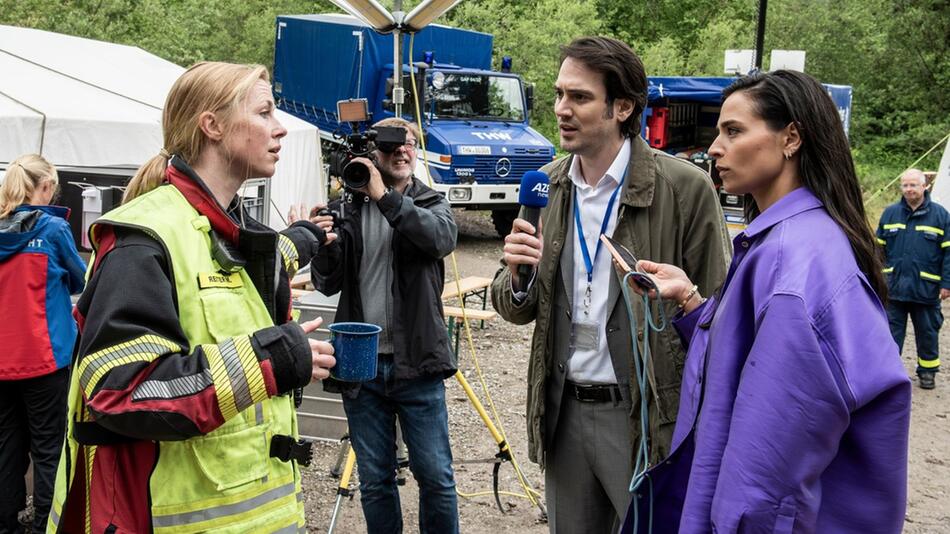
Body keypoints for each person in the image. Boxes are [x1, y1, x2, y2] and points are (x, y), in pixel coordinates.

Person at [46, 62, 336, 533]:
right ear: (213, 125)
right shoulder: (144, 240)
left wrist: (306, 237)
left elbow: (255, 270)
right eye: (264, 112)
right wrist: (272, 361)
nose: (280, 128)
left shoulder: (231, 230)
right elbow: (120, 389)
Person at [621, 70, 911, 533]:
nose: (715, 147)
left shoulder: (795, 263)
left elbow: (768, 468)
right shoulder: (789, 240)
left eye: (734, 131)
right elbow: (749, 368)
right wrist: (694, 303)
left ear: (791, 137)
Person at [490, 36, 731, 533]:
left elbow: (720, 315)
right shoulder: (547, 185)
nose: (562, 109)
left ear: (622, 107)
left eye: (579, 97)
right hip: (563, 412)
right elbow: (518, 307)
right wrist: (516, 278)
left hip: (644, 416)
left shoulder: (684, 188)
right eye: (559, 94)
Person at [310, 117, 460, 533]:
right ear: (371, 154)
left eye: (409, 144)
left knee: (436, 478)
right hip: (362, 365)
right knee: (376, 481)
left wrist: (383, 196)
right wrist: (320, 244)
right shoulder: (345, 208)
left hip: (418, 361)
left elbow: (438, 240)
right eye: (391, 145)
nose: (402, 151)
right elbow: (327, 283)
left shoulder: (431, 202)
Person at [0, 154, 85, 534]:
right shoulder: (52, 229)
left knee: (6, 448)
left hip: (3, 360)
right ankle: (43, 526)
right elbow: (82, 280)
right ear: (46, 187)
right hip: (45, 359)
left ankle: (6, 524)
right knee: (49, 448)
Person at [877, 168, 949, 389]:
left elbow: (948, 253)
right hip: (894, 287)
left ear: (924, 186)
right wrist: (876, 279)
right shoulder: (890, 214)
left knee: (927, 332)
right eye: (905, 185)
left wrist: (947, 283)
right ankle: (888, 373)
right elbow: (878, 251)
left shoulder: (940, 215)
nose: (909, 190)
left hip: (925, 289)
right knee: (889, 333)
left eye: (913, 185)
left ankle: (927, 372)